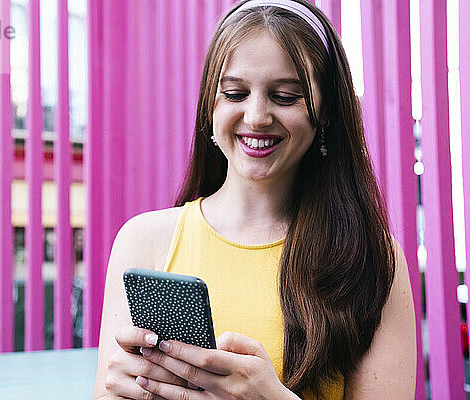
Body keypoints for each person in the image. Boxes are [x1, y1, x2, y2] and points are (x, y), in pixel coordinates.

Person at [92, 0, 417, 398]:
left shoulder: (371, 257)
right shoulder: (142, 240)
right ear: (211, 104)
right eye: (235, 93)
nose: (257, 116)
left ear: (326, 111)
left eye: (284, 96)